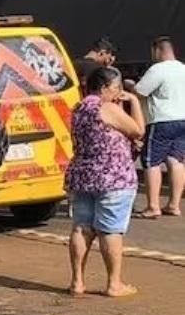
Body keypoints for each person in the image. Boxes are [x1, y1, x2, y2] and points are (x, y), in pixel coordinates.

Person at [65, 66, 143, 297]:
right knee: (111, 230)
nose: (119, 92)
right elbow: (138, 131)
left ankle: (77, 282)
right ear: (104, 88)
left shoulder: (79, 108)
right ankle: (114, 284)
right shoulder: (106, 107)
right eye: (116, 88)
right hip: (113, 177)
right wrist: (135, 102)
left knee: (81, 227)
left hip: (83, 176)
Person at [133, 36, 185, 218]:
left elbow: (140, 91)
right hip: (183, 119)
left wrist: (130, 86)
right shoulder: (183, 68)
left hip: (162, 121)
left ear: (157, 50)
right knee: (176, 160)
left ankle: (153, 206)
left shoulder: (158, 69)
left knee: (151, 161)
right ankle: (174, 205)